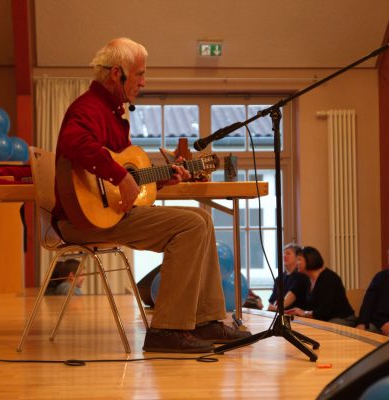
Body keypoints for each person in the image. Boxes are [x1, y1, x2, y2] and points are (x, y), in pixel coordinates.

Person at [52, 38, 250, 353]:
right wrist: (119, 175)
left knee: (201, 218)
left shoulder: (114, 114)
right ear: (117, 74)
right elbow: (73, 143)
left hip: (110, 215)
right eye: (140, 74)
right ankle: (166, 330)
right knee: (191, 225)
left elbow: (129, 185)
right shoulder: (88, 107)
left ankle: (207, 319)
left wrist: (164, 179)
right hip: (81, 220)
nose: (144, 81)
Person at [286, 246, 357, 326]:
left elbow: (324, 311)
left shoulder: (328, 278)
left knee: (324, 329)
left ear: (310, 260)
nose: (297, 263)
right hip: (325, 318)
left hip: (342, 319)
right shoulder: (308, 279)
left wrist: (304, 313)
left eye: (299, 260)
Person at [267, 243, 309, 312]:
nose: (284, 256)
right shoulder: (279, 278)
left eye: (288, 253)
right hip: (280, 313)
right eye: (284, 254)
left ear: (297, 257)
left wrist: (276, 308)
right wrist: (273, 307)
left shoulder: (301, 276)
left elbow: (288, 299)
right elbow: (271, 302)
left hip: (297, 317)